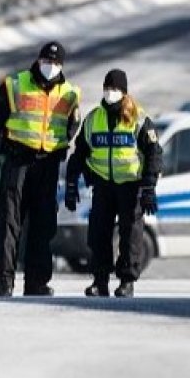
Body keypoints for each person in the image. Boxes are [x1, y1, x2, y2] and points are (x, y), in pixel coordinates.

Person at [0, 40, 82, 297]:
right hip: (19, 161)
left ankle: (36, 282)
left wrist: (61, 144)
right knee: (9, 222)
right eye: (47, 61)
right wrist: (4, 145)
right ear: (38, 60)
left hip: (47, 164)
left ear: (62, 66)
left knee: (43, 224)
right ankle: (5, 280)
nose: (50, 66)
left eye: (55, 63)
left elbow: (73, 123)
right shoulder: (15, 84)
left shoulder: (69, 93)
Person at [65, 69, 161, 298]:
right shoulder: (93, 118)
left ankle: (127, 281)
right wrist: (71, 183)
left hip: (130, 185)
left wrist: (149, 187)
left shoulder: (138, 118)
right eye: (107, 88)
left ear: (124, 92)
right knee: (98, 233)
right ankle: (100, 281)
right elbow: (79, 153)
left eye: (115, 88)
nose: (110, 92)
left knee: (130, 234)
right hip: (103, 185)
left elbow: (154, 153)